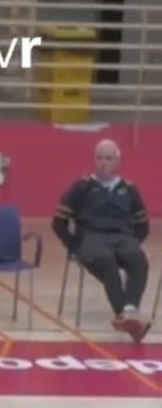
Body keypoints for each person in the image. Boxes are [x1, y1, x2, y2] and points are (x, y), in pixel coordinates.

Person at [54, 138, 151, 342]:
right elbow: (58, 222)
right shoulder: (82, 186)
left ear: (117, 162)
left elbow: (142, 224)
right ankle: (126, 316)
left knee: (138, 259)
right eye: (99, 158)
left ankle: (128, 311)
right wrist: (74, 246)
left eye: (108, 158)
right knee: (107, 262)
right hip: (91, 238)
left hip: (122, 237)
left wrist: (133, 243)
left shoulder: (129, 189)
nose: (103, 163)